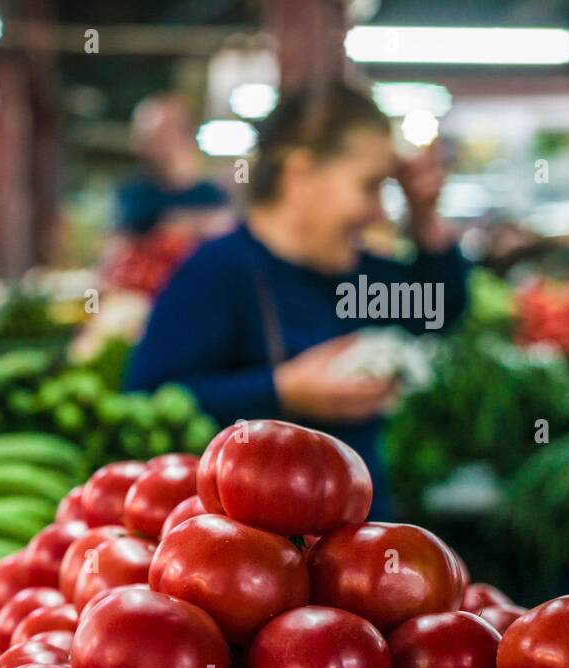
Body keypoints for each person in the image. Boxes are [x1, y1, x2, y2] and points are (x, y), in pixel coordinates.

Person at [124, 82, 468, 518]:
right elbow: (146, 397)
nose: (379, 212)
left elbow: (443, 311)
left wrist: (423, 213)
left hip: (358, 541)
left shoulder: (360, 273)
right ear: (300, 174)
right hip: (251, 555)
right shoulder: (217, 272)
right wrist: (282, 391)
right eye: (370, 186)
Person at [115, 93, 233, 239]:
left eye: (161, 135)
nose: (147, 146)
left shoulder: (212, 194)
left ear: (185, 135)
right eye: (144, 136)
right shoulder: (133, 194)